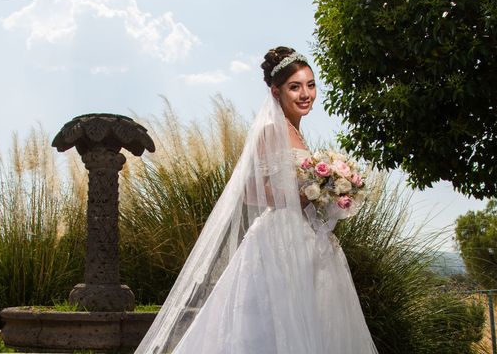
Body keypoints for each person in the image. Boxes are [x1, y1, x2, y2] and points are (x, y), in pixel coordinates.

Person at [135, 47, 378, 354]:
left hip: (310, 237)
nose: (306, 94)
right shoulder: (268, 131)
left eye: (310, 85)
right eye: (295, 87)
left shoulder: (300, 136)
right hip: (280, 239)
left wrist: (332, 194)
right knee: (275, 321)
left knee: (315, 319)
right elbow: (251, 191)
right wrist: (307, 192)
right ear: (276, 92)